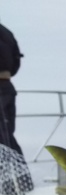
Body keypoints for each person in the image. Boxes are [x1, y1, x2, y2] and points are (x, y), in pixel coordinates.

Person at [0, 22, 22, 156]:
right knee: (6, 136)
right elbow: (15, 63)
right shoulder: (6, 33)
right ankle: (17, 167)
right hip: (7, 87)